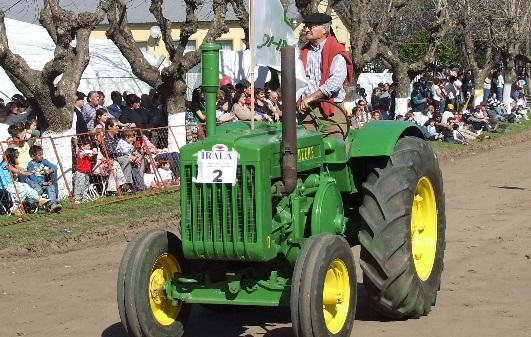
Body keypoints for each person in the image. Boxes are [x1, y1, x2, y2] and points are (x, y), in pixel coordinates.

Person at [297, 12, 353, 139]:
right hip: (307, 111)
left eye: (310, 26)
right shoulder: (302, 52)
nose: (306, 29)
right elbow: (297, 79)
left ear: (324, 29)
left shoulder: (336, 51)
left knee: (334, 149)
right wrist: (298, 100)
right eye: (306, 26)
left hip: (331, 109)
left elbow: (334, 83)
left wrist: (310, 98)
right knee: (306, 149)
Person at [0, 148, 48, 215]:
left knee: (25, 186)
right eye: (16, 158)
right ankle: (15, 208)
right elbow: (18, 171)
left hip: (11, 184)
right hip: (6, 187)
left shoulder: (11, 165)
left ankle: (39, 199)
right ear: (11, 158)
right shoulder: (6, 165)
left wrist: (29, 171)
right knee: (23, 189)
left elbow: (21, 169)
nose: (17, 159)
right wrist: (24, 173)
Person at [26, 145, 62, 212]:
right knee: (38, 189)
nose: (42, 156)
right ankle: (33, 205)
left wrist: (50, 170)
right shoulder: (30, 164)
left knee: (51, 187)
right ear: (33, 156)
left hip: (44, 184)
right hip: (36, 185)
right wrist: (43, 183)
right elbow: (32, 177)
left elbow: (54, 166)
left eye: (42, 154)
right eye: (39, 155)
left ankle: (52, 205)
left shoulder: (44, 161)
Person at [73, 138, 97, 203]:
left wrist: (94, 152)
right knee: (79, 186)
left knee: (86, 185)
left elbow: (90, 155)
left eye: (89, 146)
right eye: (88, 146)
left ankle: (84, 198)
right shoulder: (80, 152)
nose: (89, 147)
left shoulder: (88, 153)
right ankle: (77, 199)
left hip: (87, 172)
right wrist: (92, 151)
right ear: (82, 146)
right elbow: (83, 153)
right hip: (80, 173)